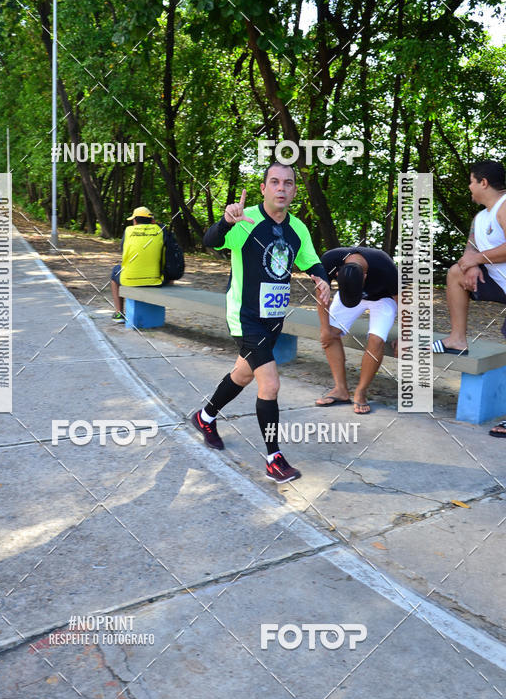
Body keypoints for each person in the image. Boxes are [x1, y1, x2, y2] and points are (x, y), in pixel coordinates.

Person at [191, 163, 331, 484]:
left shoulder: (298, 228)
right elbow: (210, 241)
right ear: (264, 188)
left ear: (294, 190)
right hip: (245, 316)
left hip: (273, 319)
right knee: (270, 384)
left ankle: (205, 416)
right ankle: (273, 458)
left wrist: (321, 280)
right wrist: (226, 221)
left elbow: (312, 261)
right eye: (274, 182)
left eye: (288, 183)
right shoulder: (246, 219)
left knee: (241, 374)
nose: (281, 188)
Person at [431, 160, 506, 439]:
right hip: (500, 284)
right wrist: (471, 263)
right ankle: (457, 340)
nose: (469, 187)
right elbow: (470, 251)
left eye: (472, 181)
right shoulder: (480, 218)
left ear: (483, 182)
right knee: (455, 273)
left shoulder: (504, 206)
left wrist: (477, 258)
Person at [315, 247, 398, 415]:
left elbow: (402, 299)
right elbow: (321, 295)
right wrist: (324, 329)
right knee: (330, 334)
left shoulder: (384, 265)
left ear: (365, 277)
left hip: (384, 298)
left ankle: (361, 391)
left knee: (376, 340)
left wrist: (405, 336)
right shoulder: (330, 260)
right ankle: (340, 390)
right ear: (338, 274)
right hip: (349, 292)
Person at [110, 206, 167, 322]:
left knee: (115, 272)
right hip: (155, 280)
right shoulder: (160, 231)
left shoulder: (128, 231)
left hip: (130, 279)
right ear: (152, 220)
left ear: (135, 220)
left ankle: (119, 313)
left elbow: (123, 249)